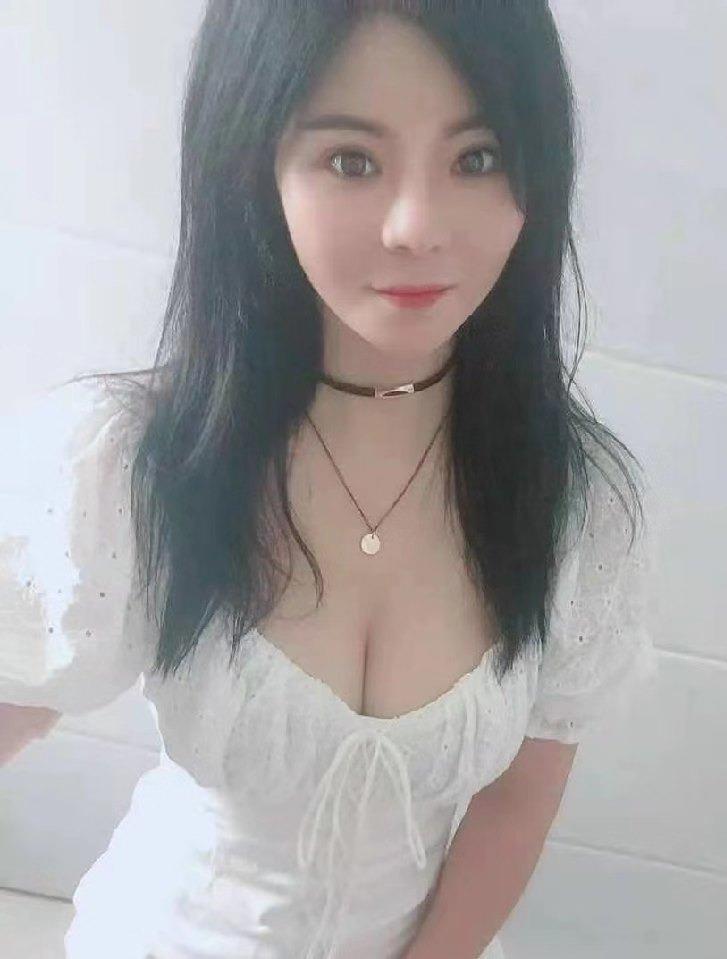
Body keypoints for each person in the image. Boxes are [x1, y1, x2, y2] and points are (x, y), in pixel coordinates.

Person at [0, 3, 659, 957]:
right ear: (253, 164)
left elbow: (519, 795)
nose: (417, 225)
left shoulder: (573, 505)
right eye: (352, 160)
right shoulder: (134, 460)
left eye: (477, 158)